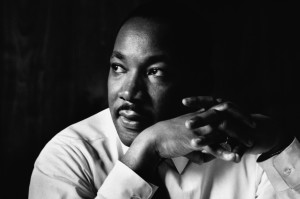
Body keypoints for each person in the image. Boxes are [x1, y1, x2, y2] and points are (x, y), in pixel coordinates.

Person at [29, 1, 300, 198]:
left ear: (201, 83)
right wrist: (147, 149)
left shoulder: (248, 154)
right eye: (118, 67)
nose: (128, 92)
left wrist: (280, 146)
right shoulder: (69, 157)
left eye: (154, 72)